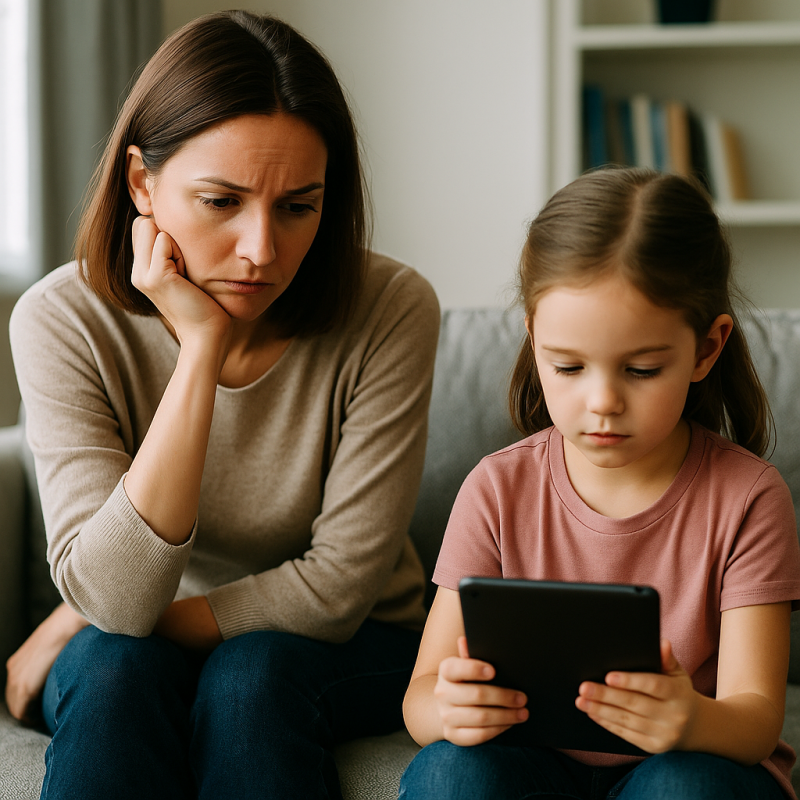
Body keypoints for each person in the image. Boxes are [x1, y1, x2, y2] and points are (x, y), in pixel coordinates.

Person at [5, 10, 439, 800]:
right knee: (113, 672)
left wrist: (79, 616)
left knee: (249, 674)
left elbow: (338, 587)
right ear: (142, 182)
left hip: (350, 638)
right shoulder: (59, 319)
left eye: (299, 206)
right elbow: (117, 603)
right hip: (136, 635)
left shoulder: (392, 308)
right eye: (221, 201)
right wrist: (200, 351)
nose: (262, 251)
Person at [399, 167, 800, 800]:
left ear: (706, 348)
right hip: (531, 760)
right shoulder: (497, 489)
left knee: (684, 791)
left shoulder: (748, 497)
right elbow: (421, 701)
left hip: (684, 764)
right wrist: (448, 710)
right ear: (534, 343)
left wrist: (690, 718)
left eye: (641, 370)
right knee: (450, 771)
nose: (603, 402)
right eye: (568, 366)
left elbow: (754, 721)